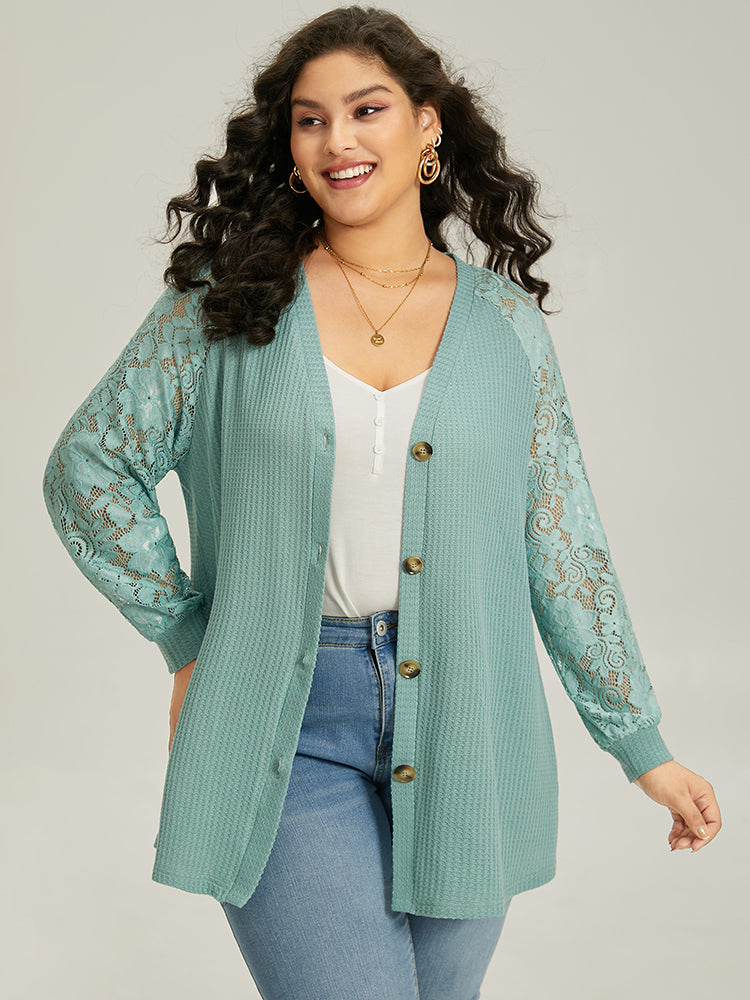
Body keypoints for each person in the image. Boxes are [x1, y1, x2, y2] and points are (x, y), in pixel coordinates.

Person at [41, 6, 721, 999]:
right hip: (284, 717)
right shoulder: (225, 305)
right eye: (310, 120)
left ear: (426, 124)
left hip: (471, 721)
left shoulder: (504, 328)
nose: (338, 141)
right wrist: (188, 635)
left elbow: (563, 544)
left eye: (367, 110)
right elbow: (89, 466)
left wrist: (641, 746)